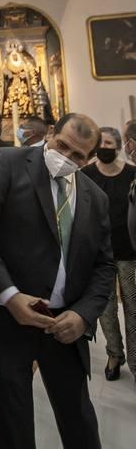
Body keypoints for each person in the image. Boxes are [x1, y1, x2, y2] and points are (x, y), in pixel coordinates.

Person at [0, 113, 114, 449]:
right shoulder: (7, 162)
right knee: (13, 421)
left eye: (78, 155)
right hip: (7, 317)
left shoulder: (95, 197)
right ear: (51, 133)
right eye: (62, 146)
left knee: (79, 417)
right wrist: (10, 295)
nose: (66, 157)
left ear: (88, 159)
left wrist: (84, 314)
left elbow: (104, 265)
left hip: (64, 322)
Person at [80, 126, 136, 381]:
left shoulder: (132, 173)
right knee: (105, 307)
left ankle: (135, 359)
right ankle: (114, 354)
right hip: (99, 253)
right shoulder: (86, 174)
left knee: (133, 308)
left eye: (108, 144)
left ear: (119, 146)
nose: (104, 148)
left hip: (129, 252)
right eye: (100, 144)